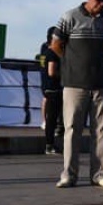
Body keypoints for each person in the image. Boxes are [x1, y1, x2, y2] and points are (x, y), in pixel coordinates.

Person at [52, 0, 103, 189]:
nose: (102, 4)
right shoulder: (70, 17)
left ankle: (99, 174)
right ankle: (68, 175)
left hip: (100, 82)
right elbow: (56, 44)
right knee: (72, 129)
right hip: (74, 83)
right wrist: (71, 63)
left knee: (100, 131)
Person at [38, 27, 63, 155]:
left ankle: (50, 143)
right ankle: (49, 145)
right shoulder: (53, 53)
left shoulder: (44, 53)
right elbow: (52, 71)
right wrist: (64, 75)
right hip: (54, 88)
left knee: (51, 118)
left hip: (46, 86)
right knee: (52, 118)